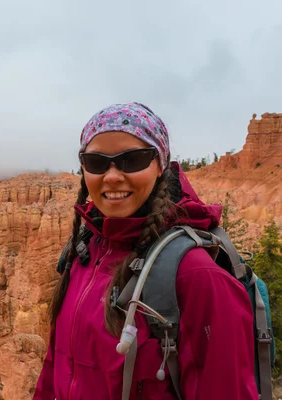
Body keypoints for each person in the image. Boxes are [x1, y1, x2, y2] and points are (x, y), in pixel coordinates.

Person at [33, 102, 259, 399]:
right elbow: (56, 365)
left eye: (132, 159)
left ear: (159, 165)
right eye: (97, 162)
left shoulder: (196, 276)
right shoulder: (84, 252)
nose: (112, 176)